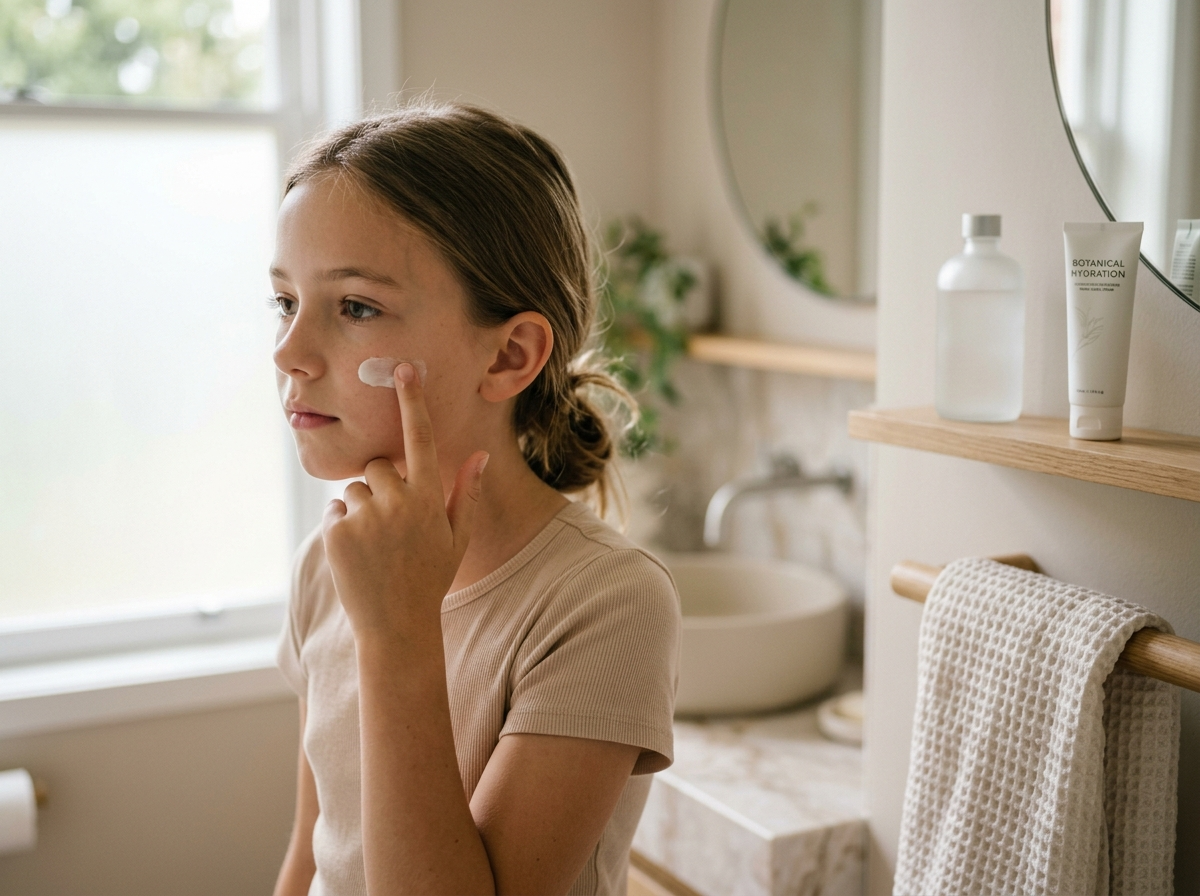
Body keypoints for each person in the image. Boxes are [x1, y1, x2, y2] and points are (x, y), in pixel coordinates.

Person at [269, 102, 681, 896]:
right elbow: (314, 857)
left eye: (355, 307)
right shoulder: (330, 560)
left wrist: (397, 634)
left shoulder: (606, 604)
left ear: (509, 355)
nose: (288, 352)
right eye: (285, 302)